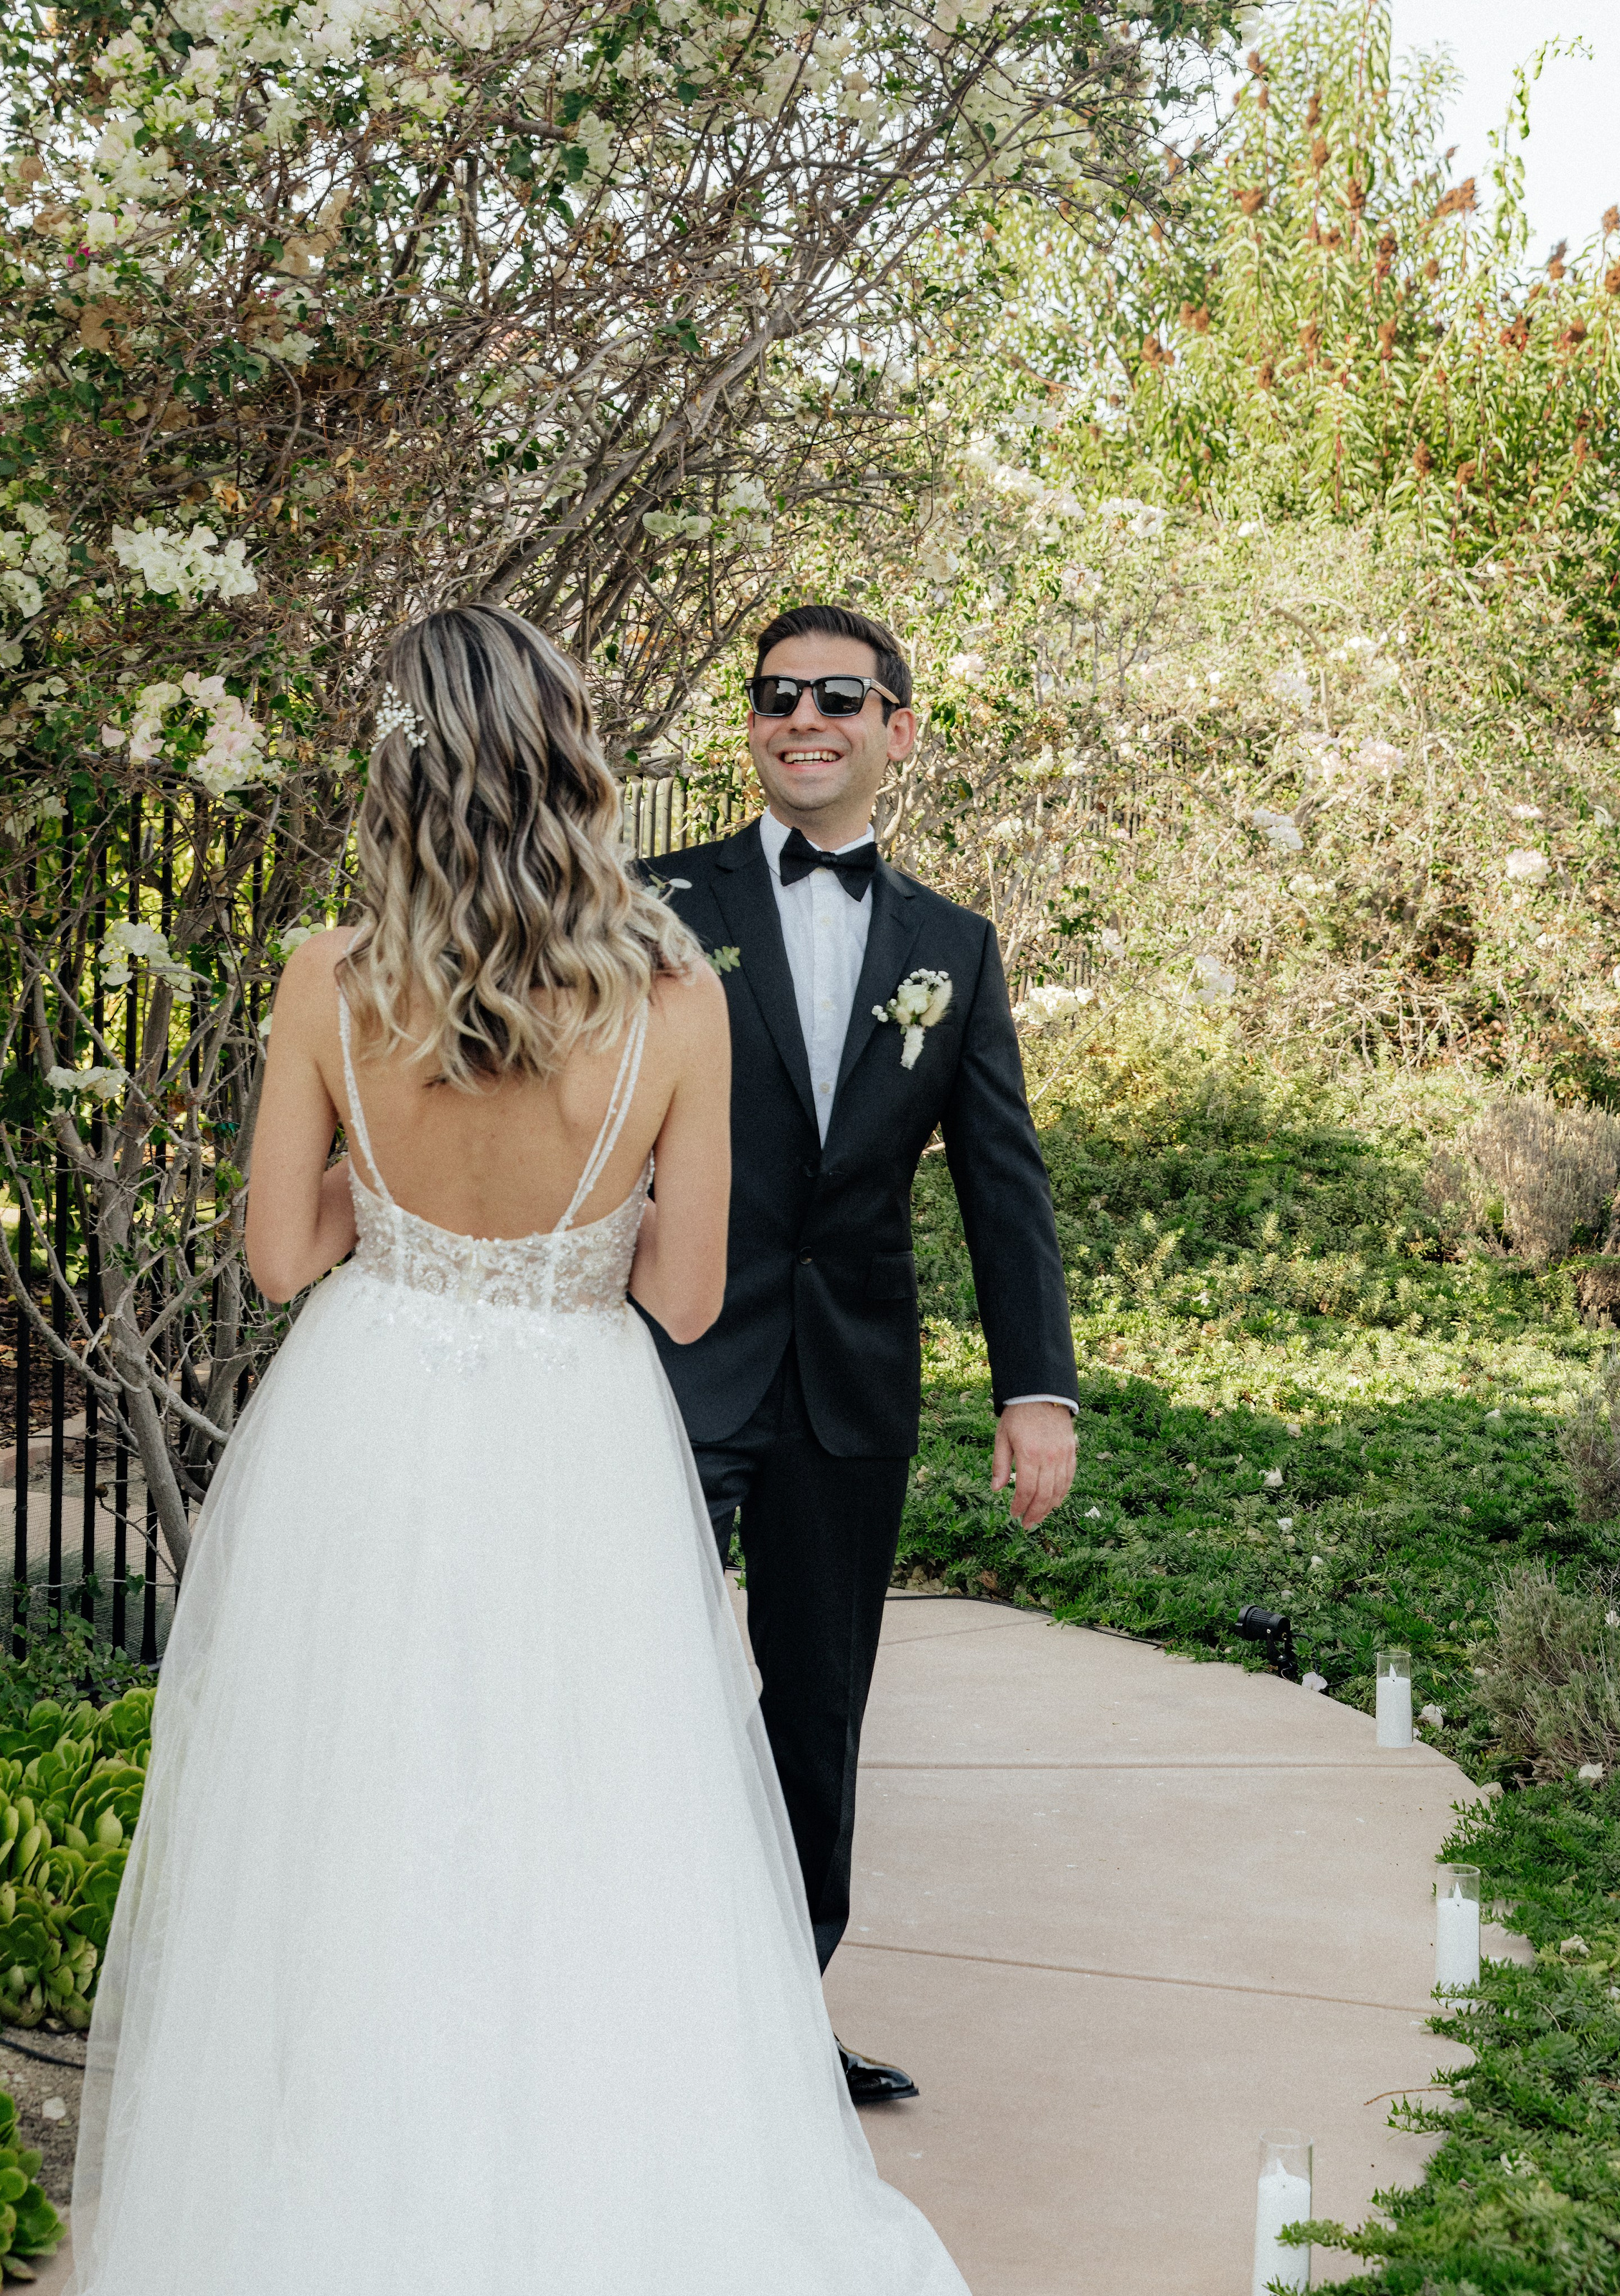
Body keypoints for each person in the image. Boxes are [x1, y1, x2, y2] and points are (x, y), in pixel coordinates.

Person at [64, 605, 971, 2295]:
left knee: (364, 1820)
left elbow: (278, 1255)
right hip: (574, 1436)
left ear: (400, 773)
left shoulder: (330, 978)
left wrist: (400, 1202)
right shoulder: (673, 991)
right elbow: (690, 1294)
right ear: (572, 762)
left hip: (372, 1423)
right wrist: (565, 1226)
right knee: (585, 1824)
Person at [645, 602, 1080, 2106]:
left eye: (838, 694)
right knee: (638, 1680)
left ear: (898, 726)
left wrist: (1036, 1387)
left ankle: (777, 2020)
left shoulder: (950, 947)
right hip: (660, 1364)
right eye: (774, 696)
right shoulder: (646, 903)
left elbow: (1000, 1181)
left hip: (848, 1385)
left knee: (816, 1704)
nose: (801, 718)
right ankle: (619, 1992)